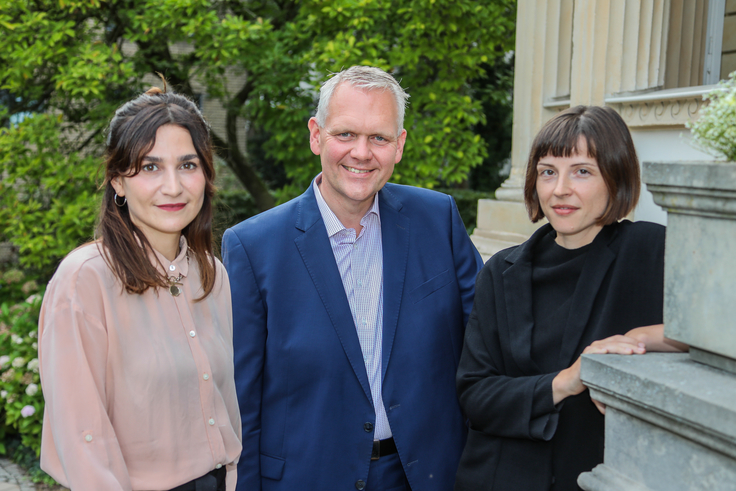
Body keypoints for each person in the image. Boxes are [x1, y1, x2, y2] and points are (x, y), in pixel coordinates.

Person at [222, 65, 484, 491]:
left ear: (399, 146)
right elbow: (241, 402)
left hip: (425, 476)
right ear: (316, 135)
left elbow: (490, 338)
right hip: (307, 480)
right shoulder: (252, 248)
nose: (361, 153)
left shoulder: (439, 221)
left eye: (378, 137)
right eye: (345, 134)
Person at [454, 105, 687, 491]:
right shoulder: (500, 271)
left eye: (582, 171)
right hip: (498, 477)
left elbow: (713, 334)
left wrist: (639, 338)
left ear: (615, 177)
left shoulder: (651, 250)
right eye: (548, 172)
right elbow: (476, 394)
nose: (560, 188)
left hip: (600, 476)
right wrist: (566, 381)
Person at [38, 86, 242, 491]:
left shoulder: (212, 276)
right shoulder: (84, 280)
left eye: (188, 165)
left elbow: (226, 408)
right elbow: (84, 442)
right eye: (150, 167)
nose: (173, 186)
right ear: (117, 181)